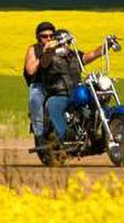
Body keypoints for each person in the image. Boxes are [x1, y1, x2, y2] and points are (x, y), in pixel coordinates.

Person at [21, 21, 112, 151]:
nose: (48, 38)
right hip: (46, 87)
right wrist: (46, 52)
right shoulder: (39, 51)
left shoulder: (72, 54)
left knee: (96, 98)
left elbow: (89, 56)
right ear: (38, 37)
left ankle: (100, 132)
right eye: (44, 36)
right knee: (40, 100)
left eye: (51, 36)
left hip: (73, 89)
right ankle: (43, 136)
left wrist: (106, 46)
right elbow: (31, 70)